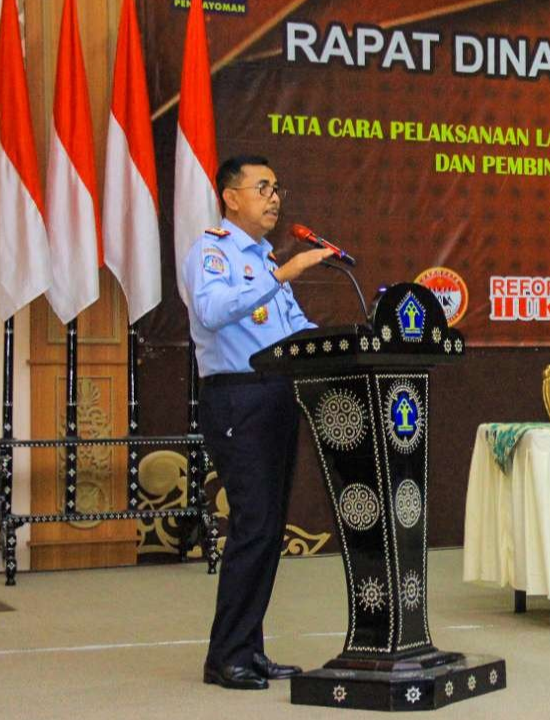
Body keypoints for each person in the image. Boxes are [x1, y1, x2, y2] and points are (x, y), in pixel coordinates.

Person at [183, 155, 335, 690]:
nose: (274, 197)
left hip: (277, 395)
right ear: (230, 197)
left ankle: (250, 647)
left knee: (268, 530)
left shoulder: (267, 259)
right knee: (251, 526)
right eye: (263, 187)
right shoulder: (212, 251)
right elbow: (212, 311)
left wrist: (345, 345)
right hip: (236, 398)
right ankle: (225, 656)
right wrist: (279, 274)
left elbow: (295, 330)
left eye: (278, 187)